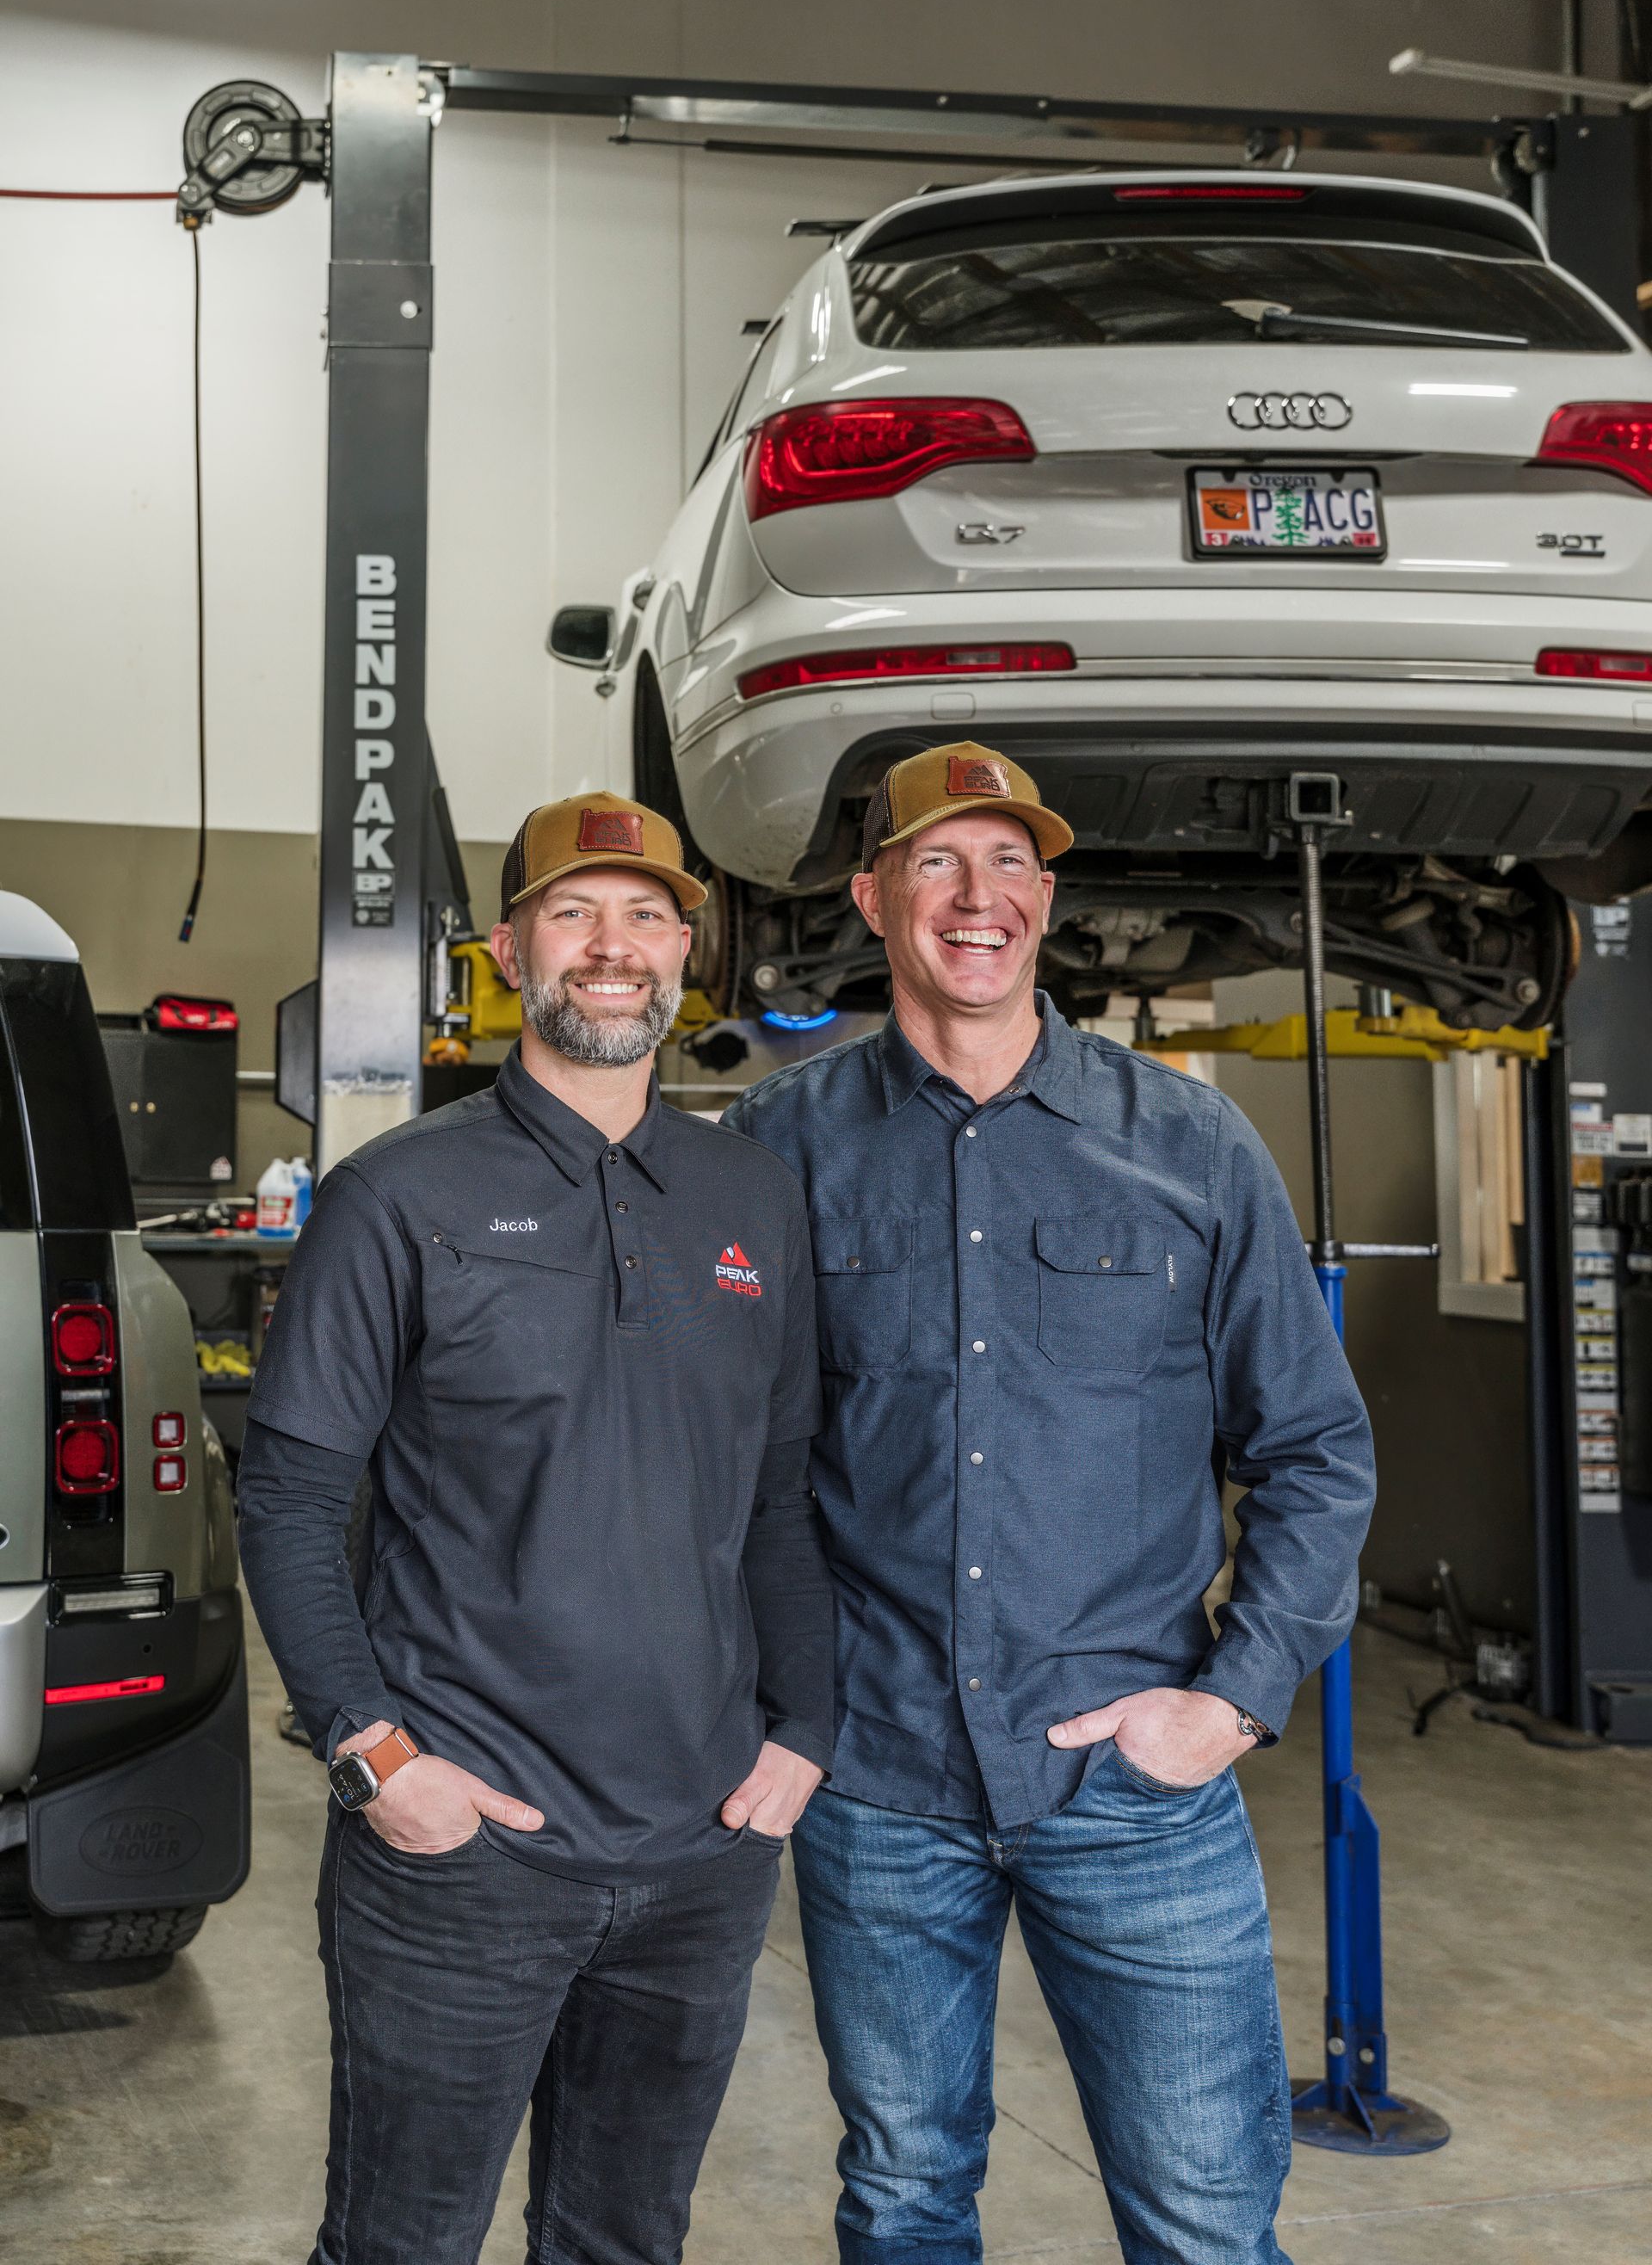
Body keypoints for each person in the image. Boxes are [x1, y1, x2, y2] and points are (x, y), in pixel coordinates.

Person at [723, 740, 1376, 2265]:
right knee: (901, 2199)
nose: (978, 896)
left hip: (1131, 1787)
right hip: (876, 1783)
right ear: (878, 896)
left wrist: (1231, 1701)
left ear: (1045, 900)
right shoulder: (778, 1151)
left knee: (1207, 2220)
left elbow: (1314, 1449)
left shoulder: (1192, 1146)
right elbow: (719, 1462)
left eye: (1011, 863)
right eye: (939, 863)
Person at [237, 791, 835, 2265]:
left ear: (686, 954)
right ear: (512, 950)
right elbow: (293, 1498)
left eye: (646, 916)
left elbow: (778, 1489)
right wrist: (375, 1754)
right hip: (464, 1857)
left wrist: (803, 1728)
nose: (612, 947)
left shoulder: (754, 1194)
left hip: (701, 1852)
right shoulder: (399, 1195)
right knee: (401, 2245)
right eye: (575, 913)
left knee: (626, 2241)